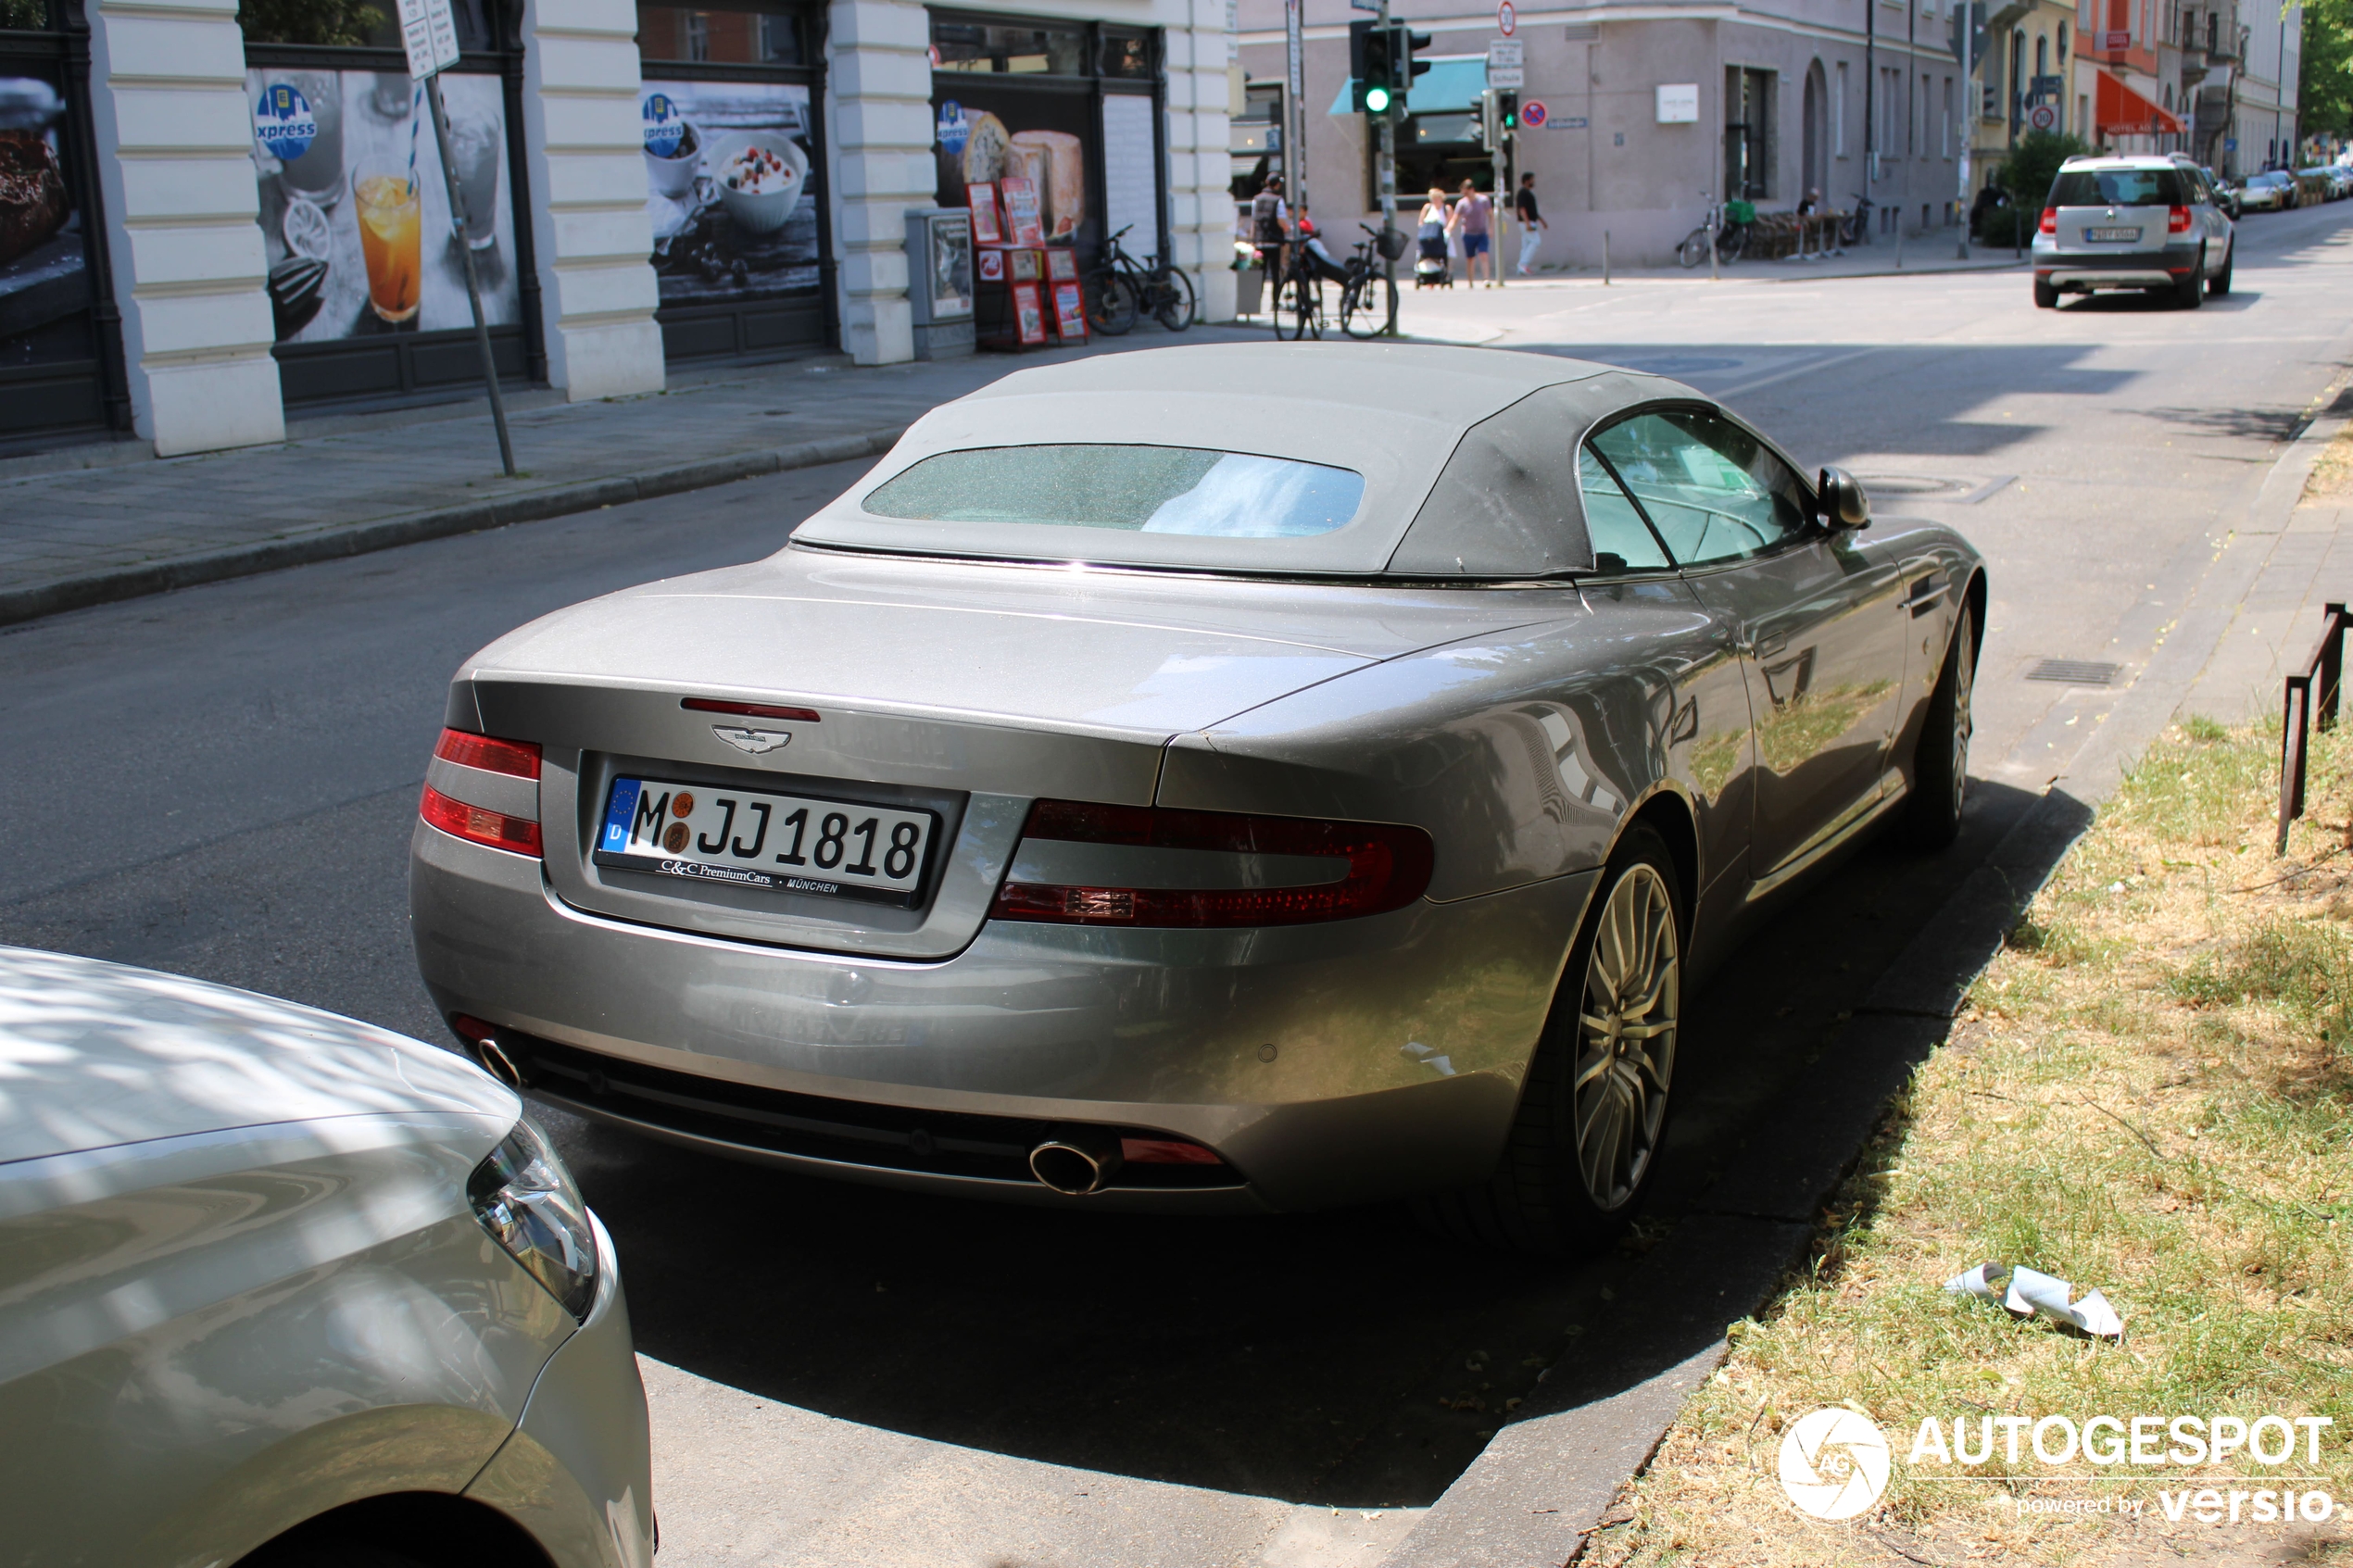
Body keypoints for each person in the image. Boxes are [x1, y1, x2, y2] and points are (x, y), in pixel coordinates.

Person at [1251, 174, 1291, 283]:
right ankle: (1275, 300)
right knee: (1276, 273)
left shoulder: (1256, 199)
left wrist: (1253, 240)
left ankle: (1257, 299)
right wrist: (1288, 230)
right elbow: (1281, 220)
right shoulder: (1278, 200)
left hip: (1260, 241)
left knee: (1260, 274)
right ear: (1277, 185)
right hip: (1274, 241)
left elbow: (1254, 220)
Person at [1455, 179, 1494, 286]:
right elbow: (1456, 218)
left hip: (1482, 233)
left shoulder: (1483, 200)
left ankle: (1486, 279)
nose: (1465, 195)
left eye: (1466, 192)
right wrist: (1448, 229)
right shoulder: (1462, 203)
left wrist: (1491, 228)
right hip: (1468, 234)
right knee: (1470, 258)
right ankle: (1471, 282)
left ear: (1472, 190)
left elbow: (1491, 214)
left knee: (1483, 255)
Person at [1416, 186, 1453, 287]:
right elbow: (1421, 222)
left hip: (1441, 237)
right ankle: (1425, 275)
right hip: (1427, 237)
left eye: (1437, 198)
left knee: (1446, 255)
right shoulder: (1427, 208)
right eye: (1433, 198)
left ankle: (1444, 274)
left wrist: (1447, 231)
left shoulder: (1446, 209)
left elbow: (1450, 223)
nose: (1435, 200)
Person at [1513, 171, 1546, 276]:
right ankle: (1523, 264)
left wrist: (1542, 221)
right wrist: (1527, 223)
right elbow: (1522, 209)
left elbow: (1533, 211)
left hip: (1528, 221)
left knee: (1526, 244)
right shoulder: (1523, 193)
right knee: (1536, 241)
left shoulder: (1528, 193)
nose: (1533, 182)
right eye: (1532, 179)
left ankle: (1521, 267)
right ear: (1527, 181)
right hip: (1526, 222)